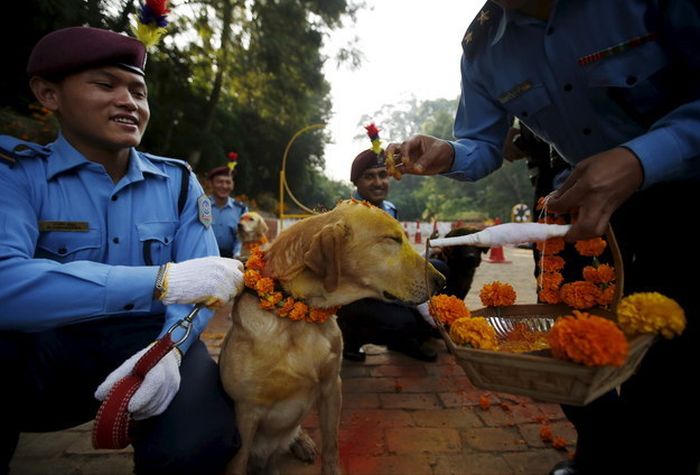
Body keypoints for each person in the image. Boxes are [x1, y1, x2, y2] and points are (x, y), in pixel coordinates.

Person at [386, 2, 700, 474]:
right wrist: (448, 152)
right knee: (566, 338)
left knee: (667, 353)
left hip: (683, 190)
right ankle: (600, 453)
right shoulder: (482, 46)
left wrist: (639, 159)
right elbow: (483, 144)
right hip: (573, 205)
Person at [0, 26, 246, 475]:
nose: (129, 102)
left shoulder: (177, 183)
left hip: (152, 339)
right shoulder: (16, 175)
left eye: (138, 91)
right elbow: (5, 283)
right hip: (49, 347)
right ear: (49, 93)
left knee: (202, 441)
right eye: (106, 84)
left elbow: (203, 284)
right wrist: (159, 281)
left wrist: (170, 349)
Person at [335, 148, 447, 362]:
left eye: (382, 174)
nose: (378, 182)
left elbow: (398, 252)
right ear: (356, 182)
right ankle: (351, 338)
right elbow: (352, 273)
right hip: (359, 292)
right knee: (406, 319)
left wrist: (427, 254)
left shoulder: (389, 209)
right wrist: (406, 298)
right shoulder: (347, 215)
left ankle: (417, 332)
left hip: (389, 280)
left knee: (440, 269)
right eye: (369, 177)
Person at [207, 164, 248, 258]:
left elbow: (242, 238)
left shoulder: (241, 209)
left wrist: (237, 256)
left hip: (231, 258)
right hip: (205, 257)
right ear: (211, 184)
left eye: (228, 182)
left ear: (233, 185)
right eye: (219, 182)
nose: (224, 186)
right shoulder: (202, 206)